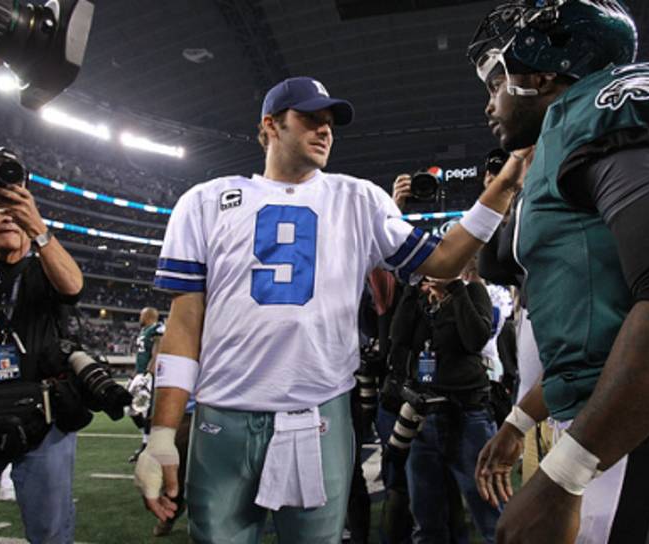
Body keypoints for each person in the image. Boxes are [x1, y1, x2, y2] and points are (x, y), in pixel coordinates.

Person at [134, 75, 529, 544]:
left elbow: (443, 261)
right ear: (270, 125)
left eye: (329, 122)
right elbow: (184, 326)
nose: (325, 130)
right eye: (309, 118)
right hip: (224, 415)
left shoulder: (358, 199)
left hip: (319, 414)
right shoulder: (204, 202)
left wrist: (504, 186)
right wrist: (162, 436)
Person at [467, 2, 649, 543]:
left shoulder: (600, 113)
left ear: (541, 74)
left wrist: (564, 475)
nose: (489, 103)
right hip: (618, 420)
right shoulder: (558, 145)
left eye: (496, 81)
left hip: (646, 422)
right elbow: (589, 339)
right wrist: (519, 423)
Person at [0, 176, 83, 543]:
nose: (8, 216)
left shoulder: (47, 265)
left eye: (16, 208)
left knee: (51, 531)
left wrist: (39, 229)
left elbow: (73, 286)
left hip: (42, 415)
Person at [388, 271, 501, 543]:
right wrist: (411, 290)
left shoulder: (472, 291)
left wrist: (455, 290)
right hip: (423, 415)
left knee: (490, 515)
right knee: (426, 521)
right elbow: (399, 336)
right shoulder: (420, 299)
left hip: (467, 415)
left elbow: (475, 340)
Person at [127, 306, 165, 463]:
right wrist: (135, 374)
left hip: (149, 375)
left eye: (141, 315)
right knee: (131, 409)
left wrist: (149, 373)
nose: (139, 318)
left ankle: (146, 445)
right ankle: (148, 439)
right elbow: (141, 355)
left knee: (147, 411)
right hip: (140, 374)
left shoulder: (157, 328)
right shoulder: (144, 330)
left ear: (149, 316)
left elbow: (158, 352)